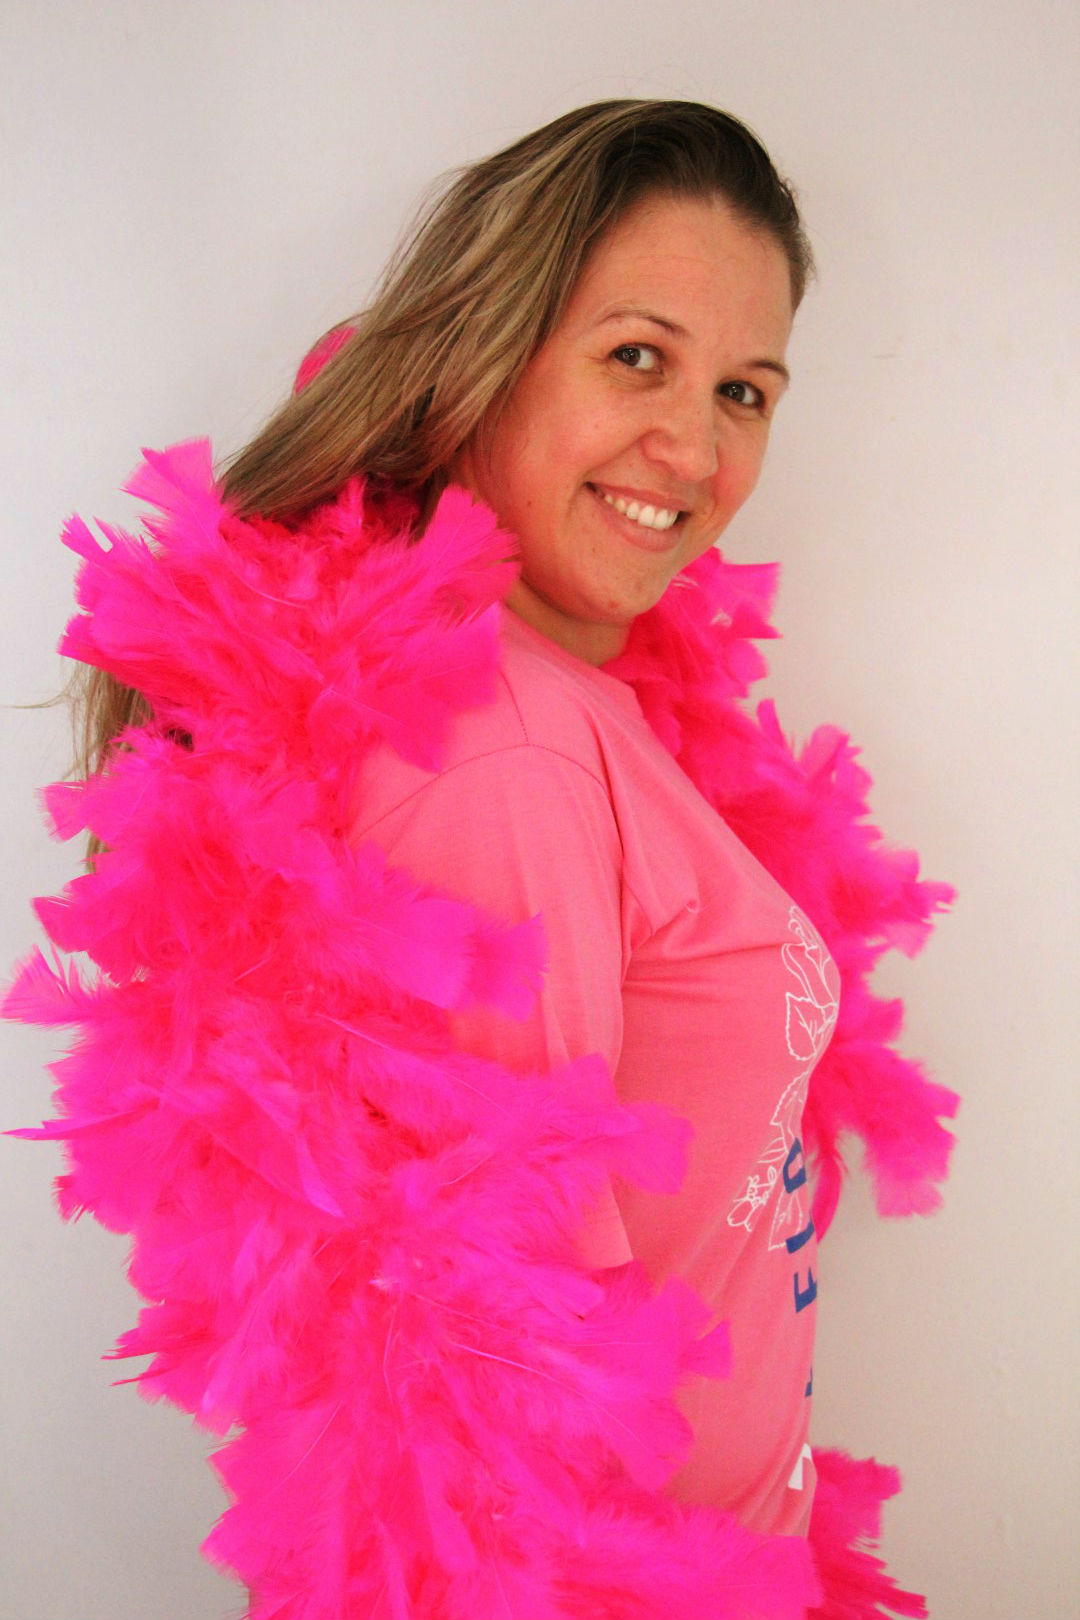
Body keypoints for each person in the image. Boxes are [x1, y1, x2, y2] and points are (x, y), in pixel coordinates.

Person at [9, 101, 955, 1617]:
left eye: (746, 390)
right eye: (636, 357)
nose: (696, 448)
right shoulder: (505, 751)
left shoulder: (556, 699)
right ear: (486, 351)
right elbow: (505, 1378)